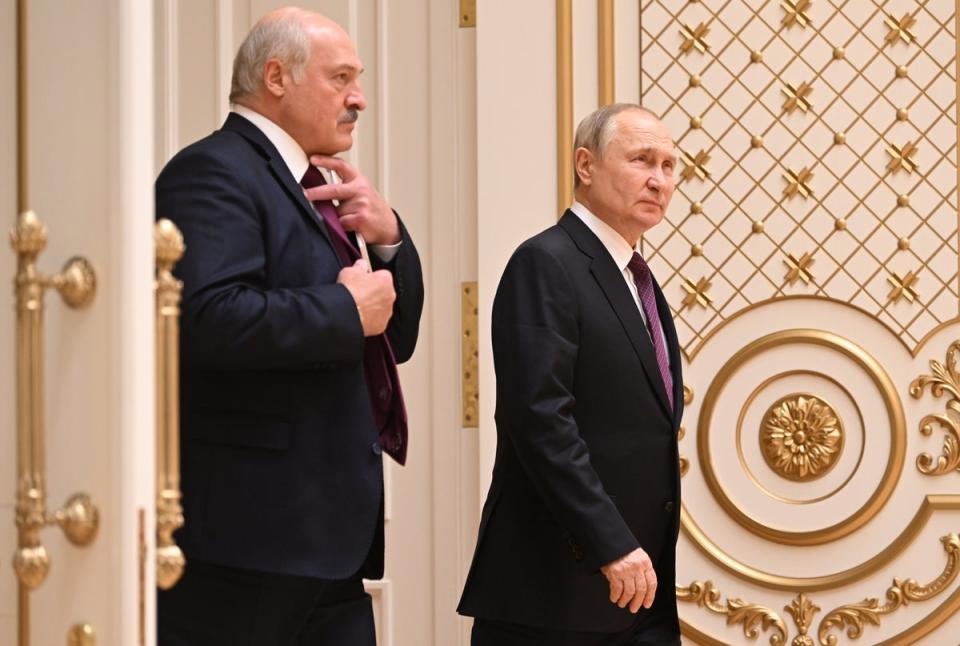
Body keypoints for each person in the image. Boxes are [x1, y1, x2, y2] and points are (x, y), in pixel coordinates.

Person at [155, 7, 423, 645]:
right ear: (276, 77)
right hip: (252, 544)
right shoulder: (213, 171)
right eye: (340, 78)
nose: (358, 98)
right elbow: (203, 320)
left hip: (329, 543)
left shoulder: (316, 182)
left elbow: (394, 339)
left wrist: (388, 241)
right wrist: (341, 310)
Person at [458, 104, 684, 646]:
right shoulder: (546, 263)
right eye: (641, 160)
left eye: (671, 166)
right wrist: (610, 543)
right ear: (585, 165)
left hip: (636, 593)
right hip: (556, 592)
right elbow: (540, 420)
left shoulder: (635, 277)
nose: (659, 180)